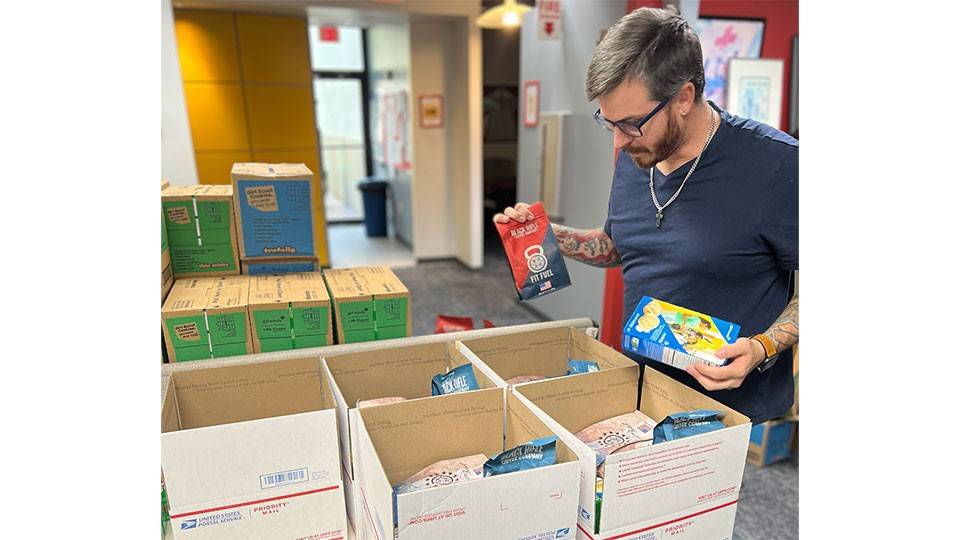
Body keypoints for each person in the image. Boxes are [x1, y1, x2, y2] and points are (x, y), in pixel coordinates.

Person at [493, 7, 798, 424]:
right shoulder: (638, 151)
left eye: (632, 124)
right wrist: (542, 233)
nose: (618, 141)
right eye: (609, 122)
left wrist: (763, 347)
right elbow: (619, 247)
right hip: (639, 387)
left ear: (684, 98)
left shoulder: (776, 166)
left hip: (723, 408)